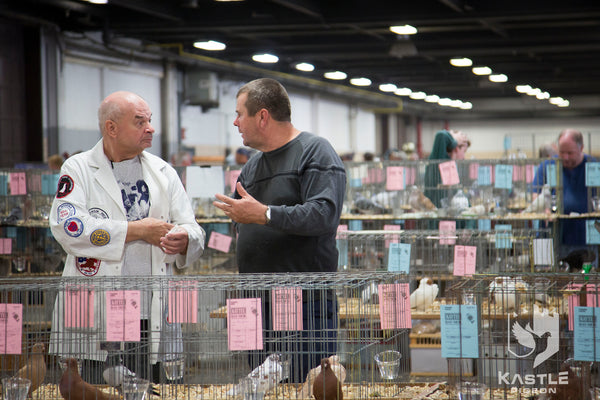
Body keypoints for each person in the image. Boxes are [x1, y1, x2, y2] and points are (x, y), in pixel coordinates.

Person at [48, 91, 206, 383]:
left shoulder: (163, 172)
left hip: (150, 311)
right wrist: (137, 230)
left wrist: (185, 239)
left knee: (152, 386)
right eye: (139, 121)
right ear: (111, 128)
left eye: (150, 120)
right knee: (95, 387)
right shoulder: (79, 169)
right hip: (100, 310)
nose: (150, 128)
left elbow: (193, 227)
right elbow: (67, 226)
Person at [213, 78, 346, 382]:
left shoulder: (315, 151)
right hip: (254, 301)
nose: (235, 122)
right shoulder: (251, 166)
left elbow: (324, 214)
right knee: (261, 387)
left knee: (306, 383)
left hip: (302, 300)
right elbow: (241, 218)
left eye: (239, 114)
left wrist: (266, 215)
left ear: (262, 116)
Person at [532, 129, 597, 268]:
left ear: (581, 148)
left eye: (570, 153)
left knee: (586, 281)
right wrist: (545, 209)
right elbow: (536, 194)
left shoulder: (593, 166)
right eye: (562, 152)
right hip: (553, 237)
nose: (565, 157)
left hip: (585, 239)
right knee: (550, 281)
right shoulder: (547, 166)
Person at [423, 129, 470, 208]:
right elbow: (441, 135)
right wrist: (454, 139)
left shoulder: (451, 166)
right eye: (464, 151)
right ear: (456, 148)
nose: (464, 157)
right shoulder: (439, 158)